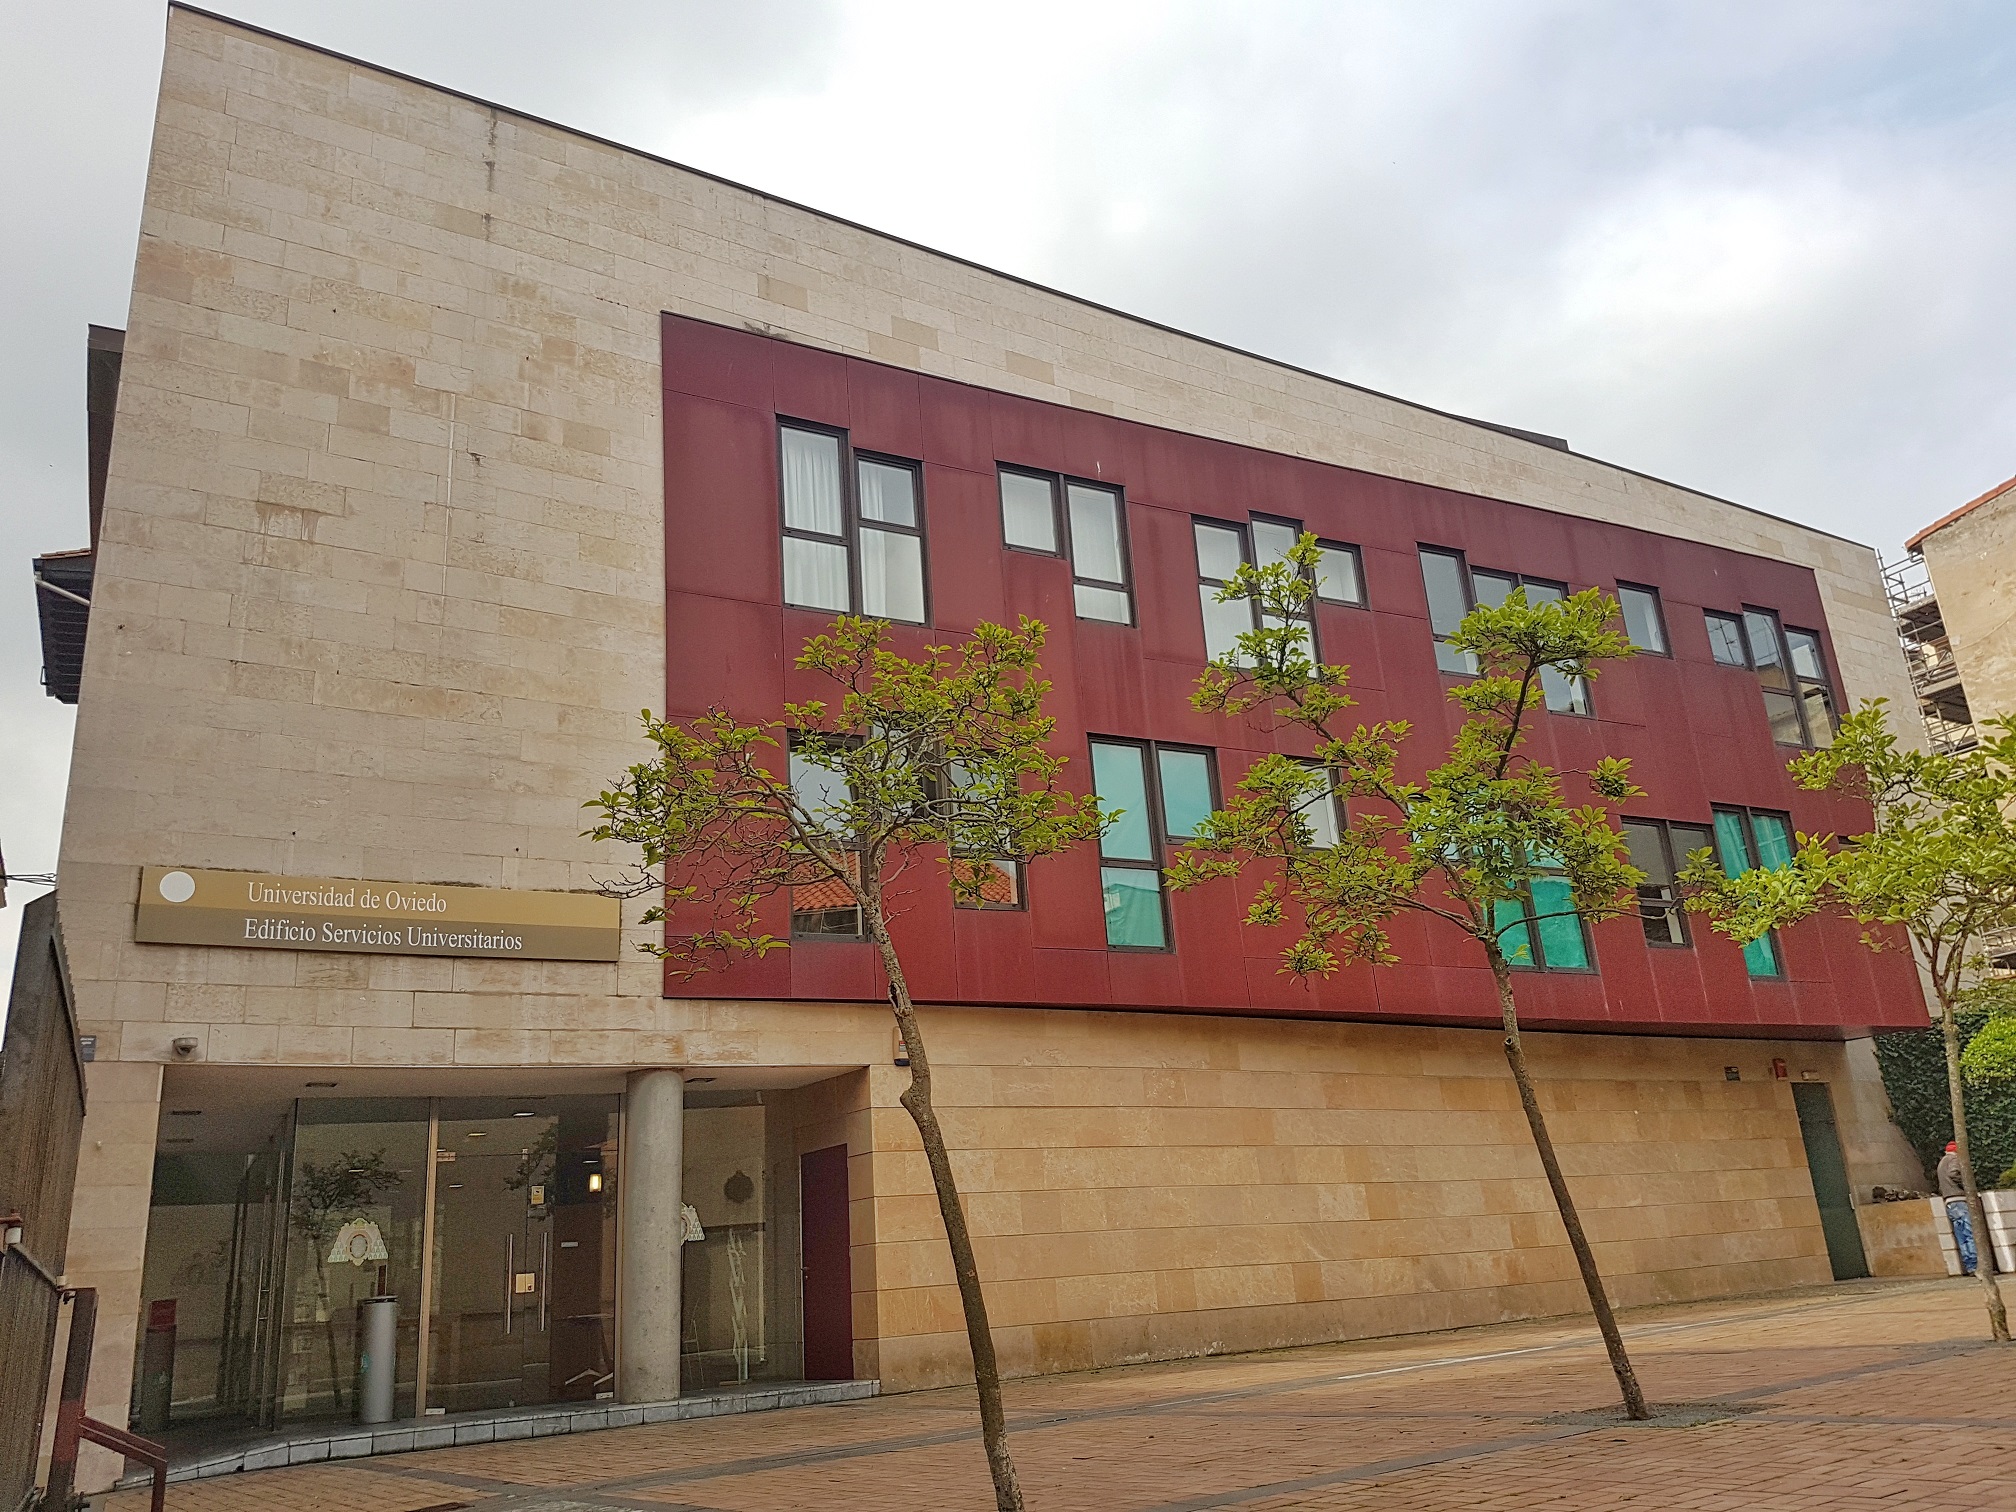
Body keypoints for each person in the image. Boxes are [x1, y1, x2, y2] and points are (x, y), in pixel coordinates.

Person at [1937, 1140, 1980, 1276]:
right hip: (1959, 1199)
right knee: (1970, 1232)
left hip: (1949, 1201)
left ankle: (1970, 1266)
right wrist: (1967, 1186)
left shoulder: (1942, 1162)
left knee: (1961, 1234)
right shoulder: (1955, 1159)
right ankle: (1977, 1266)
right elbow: (1954, 1174)